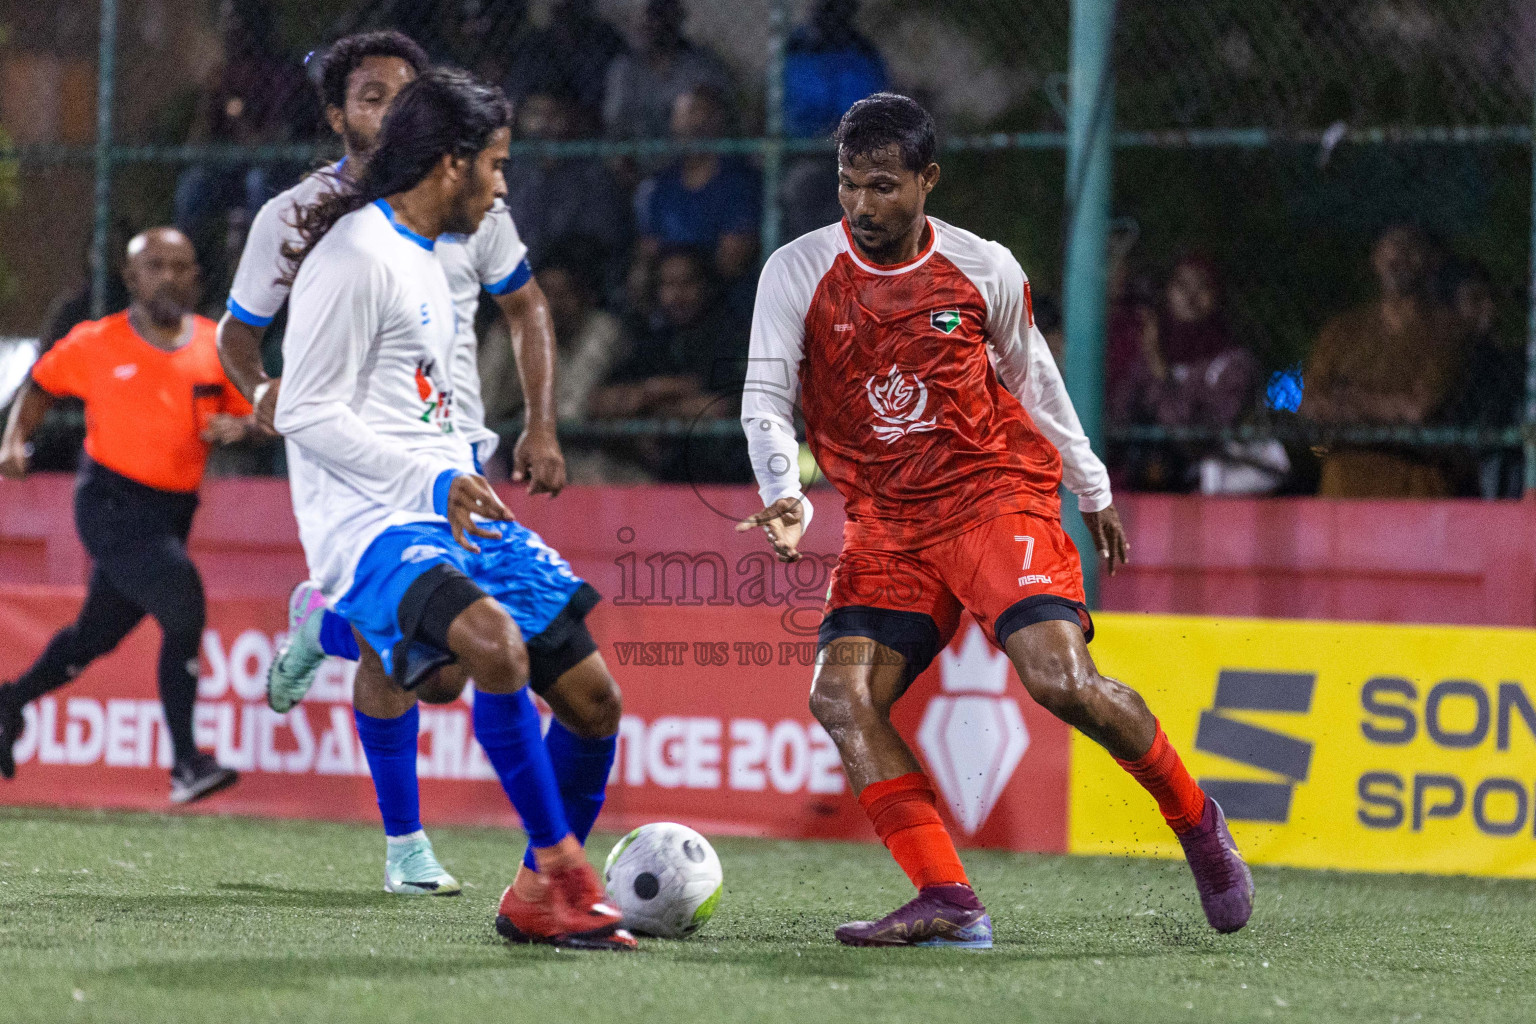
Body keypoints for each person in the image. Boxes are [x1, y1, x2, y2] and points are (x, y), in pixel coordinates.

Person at [737, 94, 1252, 948]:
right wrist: (783, 491)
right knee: (841, 696)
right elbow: (763, 396)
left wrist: (1092, 485)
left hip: (991, 497)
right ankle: (948, 898)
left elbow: (1036, 379)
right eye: (848, 186)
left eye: (883, 186)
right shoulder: (797, 271)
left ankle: (1197, 821)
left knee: (1059, 682)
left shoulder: (982, 268)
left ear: (926, 181)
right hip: (885, 524)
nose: (863, 206)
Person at [219, 33, 610, 904]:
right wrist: (267, 398)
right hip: (372, 501)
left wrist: (529, 430)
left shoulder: (443, 235)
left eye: (405, 93)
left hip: (453, 464)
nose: (505, 184)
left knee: (473, 682)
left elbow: (520, 307)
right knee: (479, 649)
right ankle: (485, 864)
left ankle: (325, 627)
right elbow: (273, 369)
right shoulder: (328, 236)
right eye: (371, 95)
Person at [0, 228, 254, 802]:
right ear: (132, 278)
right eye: (155, 266)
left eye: (181, 266)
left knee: (94, 638)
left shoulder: (216, 345)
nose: (169, 276)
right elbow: (37, 385)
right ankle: (186, 763)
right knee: (183, 601)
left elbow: (257, 413)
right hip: (110, 501)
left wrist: (243, 427)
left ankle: (9, 701)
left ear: (198, 276)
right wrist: (14, 440)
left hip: (172, 511)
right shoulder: (96, 341)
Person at [1299, 224, 1465, 497]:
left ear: (1431, 261)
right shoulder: (1341, 330)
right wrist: (1388, 407)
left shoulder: (1446, 331)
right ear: (1375, 257)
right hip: (1343, 485)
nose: (1399, 257)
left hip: (1414, 487)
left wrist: (1344, 401)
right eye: (1392, 246)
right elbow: (1311, 402)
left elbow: (1418, 409)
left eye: (1411, 247)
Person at [779, 0, 889, 241]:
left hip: (855, 154)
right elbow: (788, 110)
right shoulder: (795, 49)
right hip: (804, 152)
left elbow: (874, 108)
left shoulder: (863, 52)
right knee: (802, 186)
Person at [634, 87, 761, 288]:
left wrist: (691, 279)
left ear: (718, 120)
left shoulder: (738, 182)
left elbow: (734, 258)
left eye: (697, 112)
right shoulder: (657, 186)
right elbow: (648, 252)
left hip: (718, 290)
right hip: (668, 286)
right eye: (683, 115)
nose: (691, 123)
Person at [502, 89, 631, 279]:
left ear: (570, 118)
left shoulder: (592, 175)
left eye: (553, 115)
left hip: (574, 275)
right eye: (535, 114)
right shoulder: (508, 174)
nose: (544, 124)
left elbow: (601, 237)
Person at [1442, 258, 1523, 498]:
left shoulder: (1502, 361)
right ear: (1447, 307)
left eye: (1492, 299)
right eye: (1476, 299)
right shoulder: (1436, 359)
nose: (1491, 309)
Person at [602, 0, 732, 141]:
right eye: (654, 17)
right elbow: (615, 117)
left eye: (665, 17)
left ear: (678, 19)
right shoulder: (627, 67)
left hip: (684, 150)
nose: (658, 25)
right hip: (639, 149)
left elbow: (711, 104)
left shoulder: (698, 63)